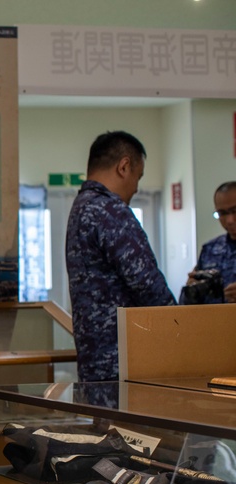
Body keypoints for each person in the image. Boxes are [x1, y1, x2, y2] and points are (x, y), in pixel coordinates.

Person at [66, 130, 176, 382]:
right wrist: (180, 327)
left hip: (96, 360)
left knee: (106, 422)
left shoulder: (81, 206)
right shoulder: (110, 210)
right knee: (129, 423)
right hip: (125, 361)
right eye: (138, 176)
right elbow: (147, 284)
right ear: (124, 166)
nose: (137, 188)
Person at [180, 181, 236, 304]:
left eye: (235, 210)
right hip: (214, 321)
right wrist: (191, 289)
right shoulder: (210, 250)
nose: (230, 220)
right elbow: (186, 305)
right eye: (222, 213)